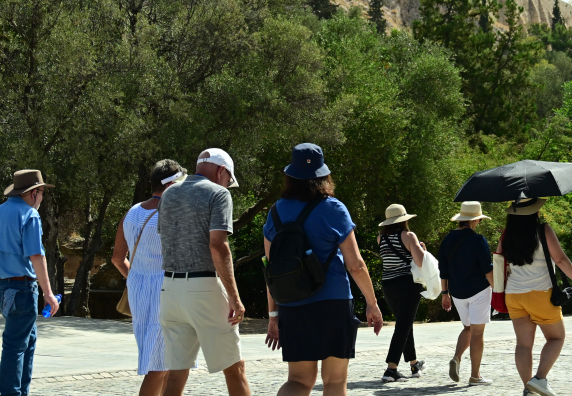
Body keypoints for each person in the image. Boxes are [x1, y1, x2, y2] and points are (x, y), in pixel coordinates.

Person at [263, 143, 383, 396]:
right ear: (323, 175)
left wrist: (273, 316)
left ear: (290, 175)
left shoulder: (276, 211)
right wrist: (372, 304)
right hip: (332, 302)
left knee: (298, 381)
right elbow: (356, 265)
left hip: (292, 305)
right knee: (335, 381)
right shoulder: (333, 208)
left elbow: (272, 270)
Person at [157, 148, 251, 396]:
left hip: (169, 288)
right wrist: (234, 296)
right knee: (234, 368)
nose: (228, 185)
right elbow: (218, 246)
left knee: (176, 372)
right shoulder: (218, 194)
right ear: (222, 171)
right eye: (229, 180)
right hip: (202, 287)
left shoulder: (169, 193)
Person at [0, 169, 60, 396]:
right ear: (33, 193)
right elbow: (37, 256)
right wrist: (48, 293)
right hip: (21, 288)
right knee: (15, 344)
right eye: (42, 192)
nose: (43, 198)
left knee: (28, 339)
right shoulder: (29, 215)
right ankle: (10, 393)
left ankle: (21, 391)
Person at [111, 160, 187, 396]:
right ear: (172, 184)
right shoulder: (172, 214)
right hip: (166, 291)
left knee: (159, 361)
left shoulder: (132, 212)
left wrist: (135, 278)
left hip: (139, 292)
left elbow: (117, 257)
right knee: (160, 365)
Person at [500, 198, 572, 396]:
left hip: (514, 295)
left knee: (523, 344)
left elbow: (499, 261)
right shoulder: (543, 230)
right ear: (534, 211)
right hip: (540, 293)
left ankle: (527, 389)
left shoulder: (507, 235)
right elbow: (560, 259)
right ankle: (539, 379)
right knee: (556, 338)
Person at [438, 201, 494, 387]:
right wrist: (499, 292)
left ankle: (456, 357)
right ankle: (475, 376)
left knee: (468, 328)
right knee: (478, 333)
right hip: (479, 290)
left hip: (457, 293)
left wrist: (445, 294)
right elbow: (487, 270)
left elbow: (443, 270)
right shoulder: (478, 240)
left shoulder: (447, 240)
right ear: (475, 220)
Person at [377, 204, 426, 382]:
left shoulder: (380, 238)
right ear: (404, 219)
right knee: (403, 326)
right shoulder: (408, 235)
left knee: (405, 324)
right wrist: (422, 249)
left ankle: (414, 364)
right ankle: (391, 369)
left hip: (388, 285)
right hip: (408, 284)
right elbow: (420, 261)